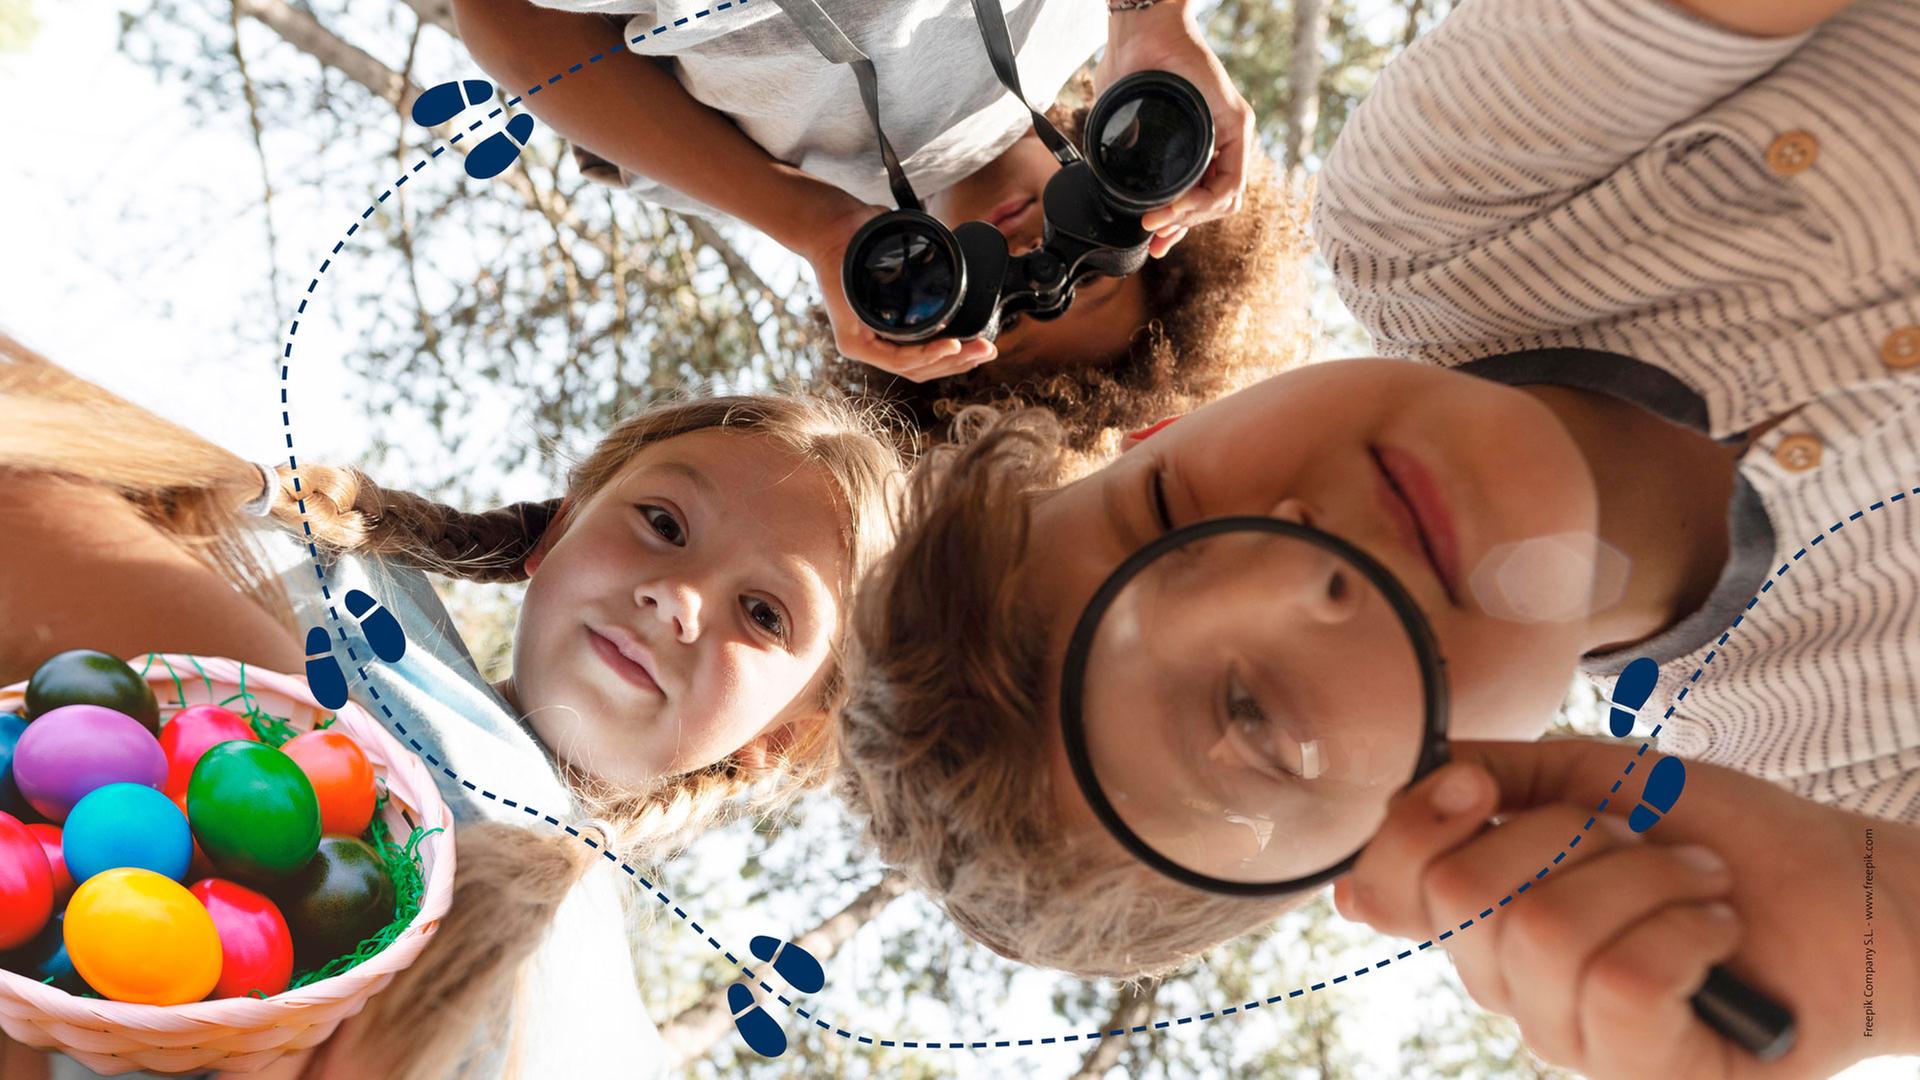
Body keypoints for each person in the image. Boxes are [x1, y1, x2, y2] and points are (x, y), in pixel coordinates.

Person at [834, 0, 1920, 1075]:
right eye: (1254, 715)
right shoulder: (1840, 795)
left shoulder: (1436, 216)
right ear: (1408, 824)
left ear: (1160, 429)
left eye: (1166, 509)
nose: (1297, 571)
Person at [0, 334, 900, 1079]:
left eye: (763, 613)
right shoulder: (348, 587)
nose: (680, 598)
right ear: (558, 531)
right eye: (662, 523)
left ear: (779, 741)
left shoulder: (590, 996)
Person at [449, 0, 1310, 448]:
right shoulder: (1090, 20)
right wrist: (1154, 17)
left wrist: (816, 225)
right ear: (1142, 219)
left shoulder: (757, 182)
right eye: (1086, 278)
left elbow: (504, 21)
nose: (1024, 254)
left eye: (1005, 311)